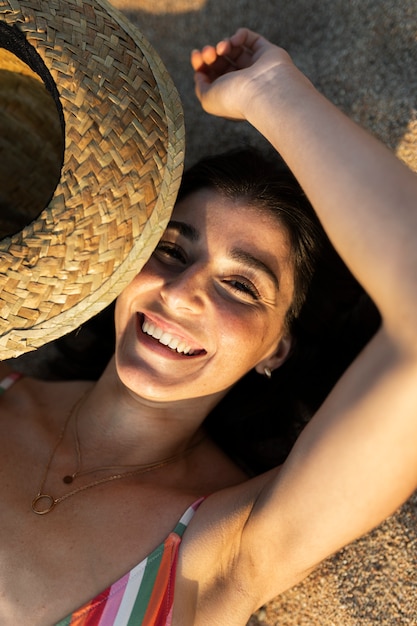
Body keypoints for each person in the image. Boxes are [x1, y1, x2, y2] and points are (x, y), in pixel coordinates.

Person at [0, 26, 416, 626]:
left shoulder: (226, 547)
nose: (182, 292)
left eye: (241, 286)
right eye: (171, 250)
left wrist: (273, 91)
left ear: (278, 348)